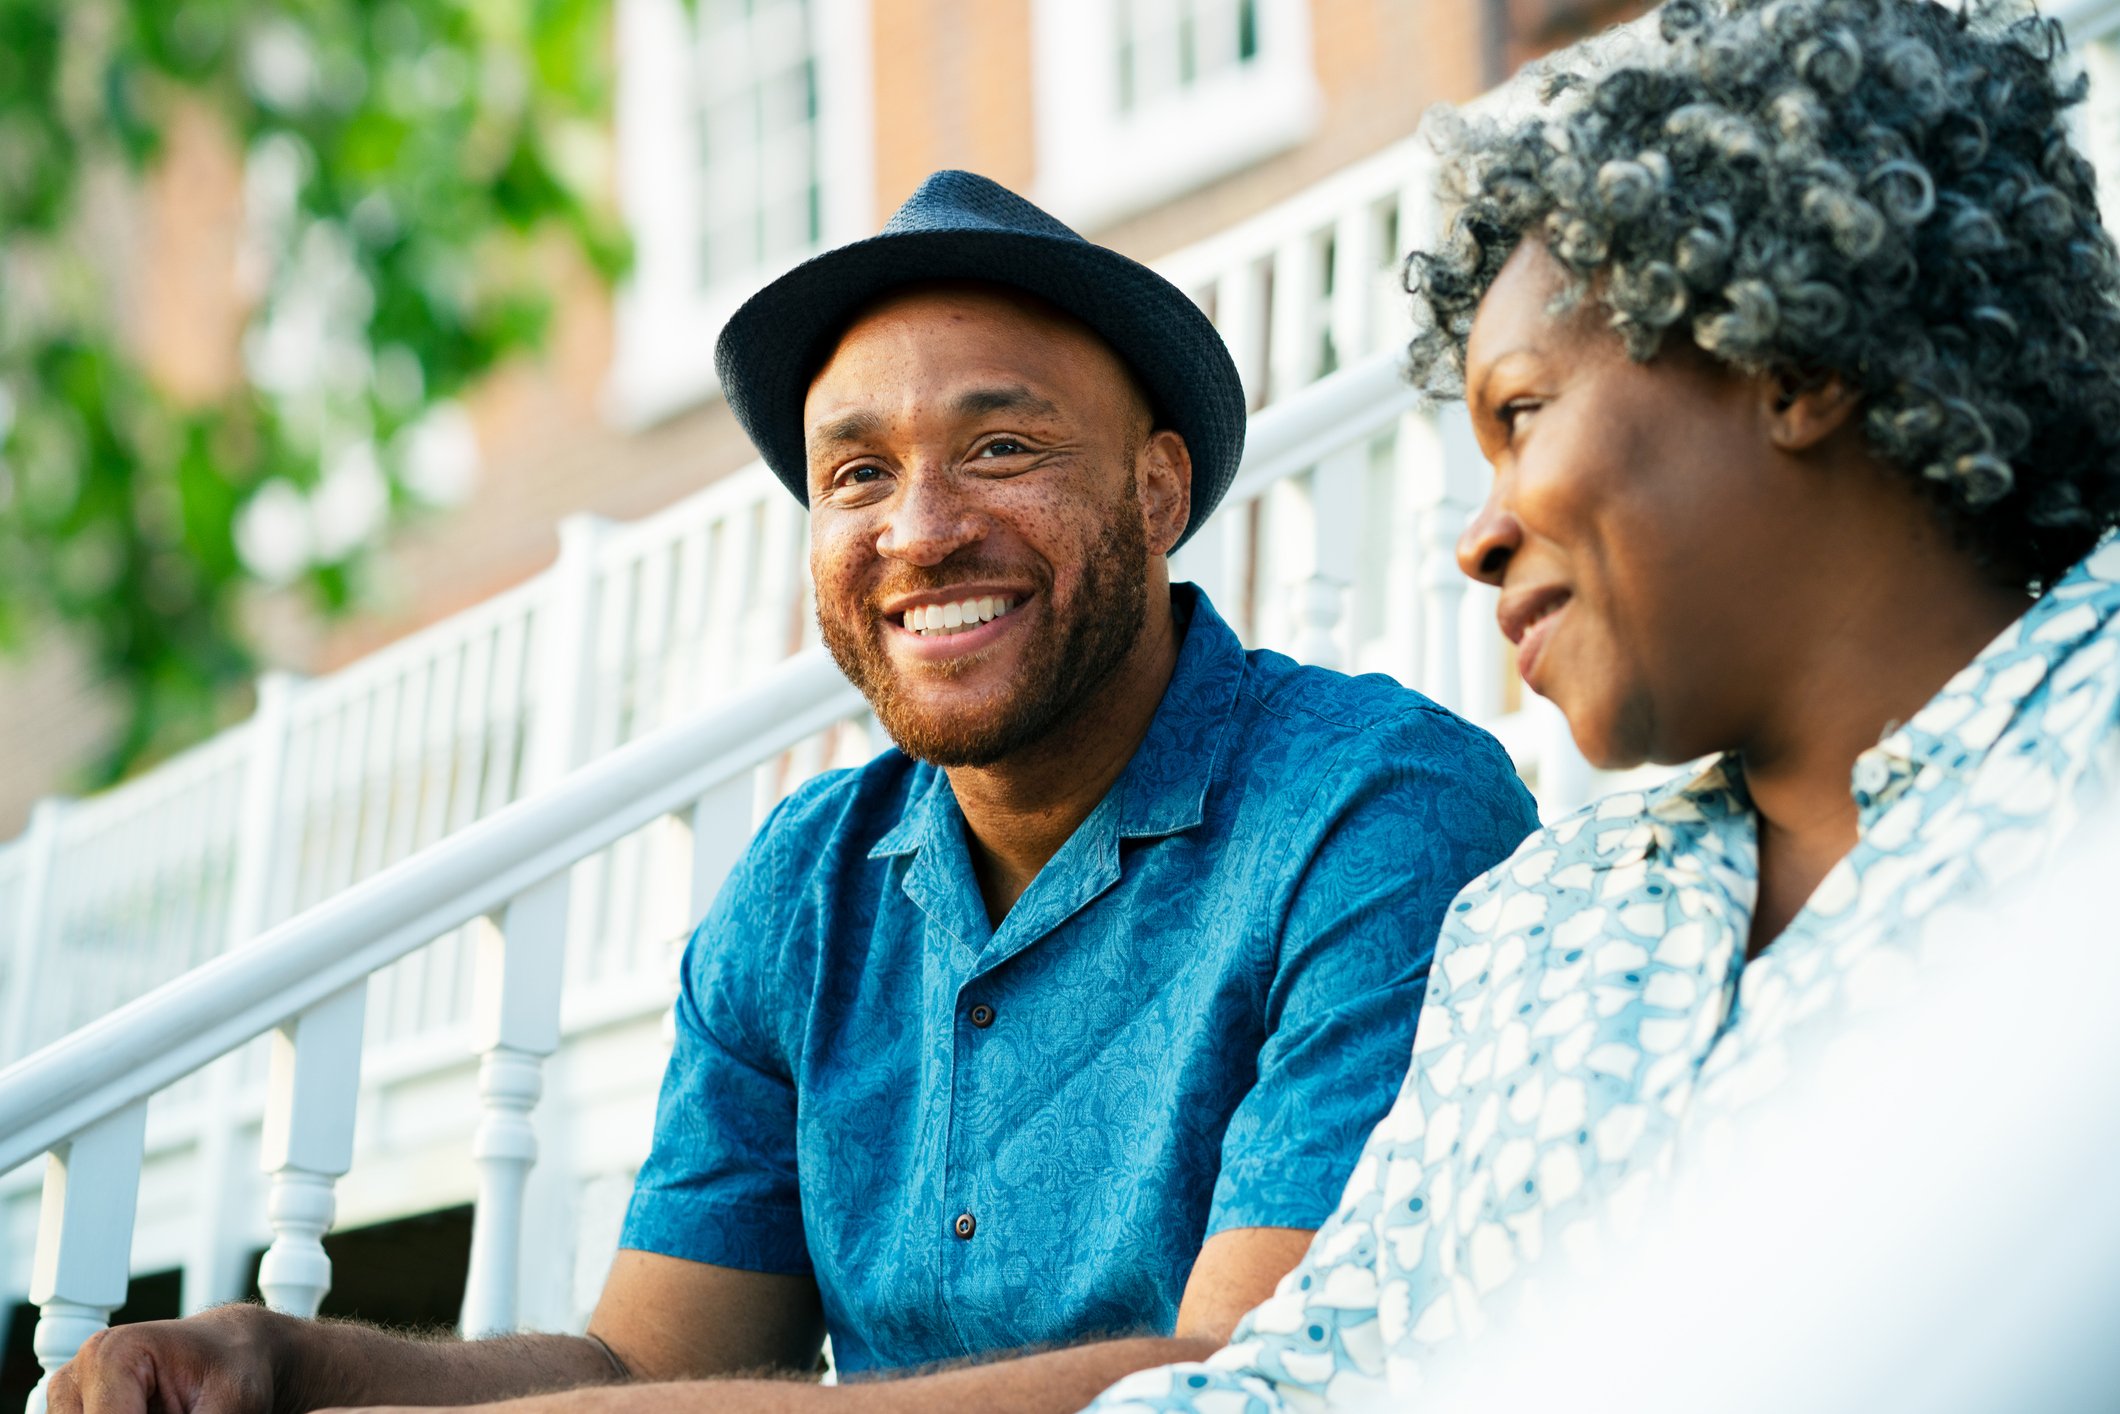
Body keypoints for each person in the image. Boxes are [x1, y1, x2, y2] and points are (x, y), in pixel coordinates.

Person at [45, 173, 1538, 1414]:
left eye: (1000, 446)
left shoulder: (1374, 808)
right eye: (857, 474)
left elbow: (1255, 1380)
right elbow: (642, 1365)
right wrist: (296, 1361)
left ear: (1157, 492)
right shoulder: (806, 883)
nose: (923, 529)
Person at [1082, 0, 2120, 1407]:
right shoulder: (1536, 920)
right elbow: (1307, 1373)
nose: (1477, 533)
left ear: (1794, 358)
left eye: (1521, 416)